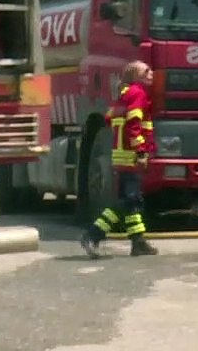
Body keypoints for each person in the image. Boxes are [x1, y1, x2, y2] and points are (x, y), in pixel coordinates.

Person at [79, 60, 159, 259]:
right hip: (131, 156)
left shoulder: (124, 94)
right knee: (127, 201)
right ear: (135, 75)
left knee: (132, 201)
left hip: (121, 155)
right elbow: (134, 124)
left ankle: (138, 242)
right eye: (146, 71)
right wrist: (141, 152)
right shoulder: (138, 93)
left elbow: (109, 119)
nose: (151, 73)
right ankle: (93, 234)